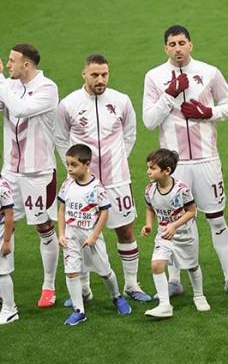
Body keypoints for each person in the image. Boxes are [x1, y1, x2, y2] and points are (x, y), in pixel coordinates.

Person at [142, 25, 228, 299]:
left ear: (191, 44)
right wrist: (169, 95)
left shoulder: (209, 72)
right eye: (172, 44)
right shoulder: (154, 77)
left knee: (216, 219)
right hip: (173, 167)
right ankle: (175, 280)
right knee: (174, 222)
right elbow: (149, 120)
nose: (177, 48)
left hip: (206, 159)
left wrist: (207, 112)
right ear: (165, 48)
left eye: (182, 43)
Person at [55, 54, 151, 305]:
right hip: (82, 186)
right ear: (84, 74)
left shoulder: (121, 101)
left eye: (104, 74)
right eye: (95, 74)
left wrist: (117, 161)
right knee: (80, 233)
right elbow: (61, 139)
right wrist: (75, 169)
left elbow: (129, 135)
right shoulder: (69, 104)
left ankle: (132, 285)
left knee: (126, 230)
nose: (100, 79)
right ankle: (84, 290)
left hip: (117, 180)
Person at [0, 44, 61, 308]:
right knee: (4, 224)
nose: (8, 65)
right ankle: (2, 282)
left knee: (44, 228)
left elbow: (21, 109)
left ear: (27, 64)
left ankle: (49, 285)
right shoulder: (11, 86)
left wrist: (0, 81)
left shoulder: (47, 88)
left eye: (12, 61)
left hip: (38, 172)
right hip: (10, 172)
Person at [56, 144, 132, 326]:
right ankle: (79, 310)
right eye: (68, 164)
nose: (69, 169)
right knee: (71, 272)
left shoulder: (97, 188)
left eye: (74, 165)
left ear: (87, 164)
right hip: (71, 235)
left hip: (90, 236)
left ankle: (117, 297)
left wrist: (94, 236)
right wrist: (61, 233)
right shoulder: (67, 185)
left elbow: (104, 212)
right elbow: (61, 210)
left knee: (105, 272)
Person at [141, 148, 207, 319]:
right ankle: (164, 305)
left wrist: (174, 226)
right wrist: (148, 225)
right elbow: (150, 208)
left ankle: (199, 295)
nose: (148, 171)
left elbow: (191, 211)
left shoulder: (181, 190)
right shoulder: (149, 190)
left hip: (185, 235)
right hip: (164, 235)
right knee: (157, 265)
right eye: (148, 167)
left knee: (192, 266)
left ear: (166, 170)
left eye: (152, 168)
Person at [0, 177, 15, 324]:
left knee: (2, 272)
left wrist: (6, 241)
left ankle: (10, 309)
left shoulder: (2, 187)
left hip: (1, 232)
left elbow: (9, 215)